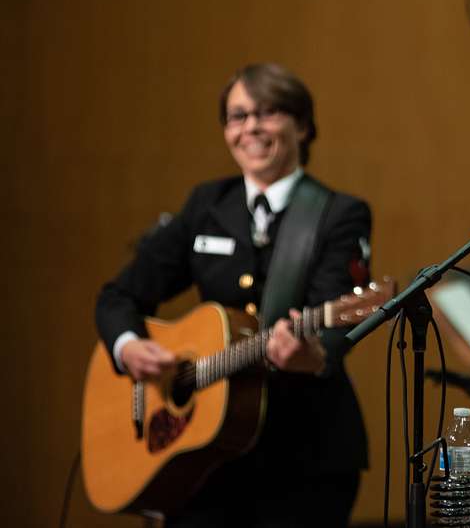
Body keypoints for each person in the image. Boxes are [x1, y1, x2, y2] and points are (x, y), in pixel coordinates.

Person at [95, 63, 370, 527]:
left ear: (301, 125)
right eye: (237, 116)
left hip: (303, 459)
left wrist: (315, 353)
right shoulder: (206, 205)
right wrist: (129, 348)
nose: (250, 128)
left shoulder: (339, 214)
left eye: (267, 113)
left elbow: (341, 318)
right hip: (206, 464)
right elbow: (118, 295)